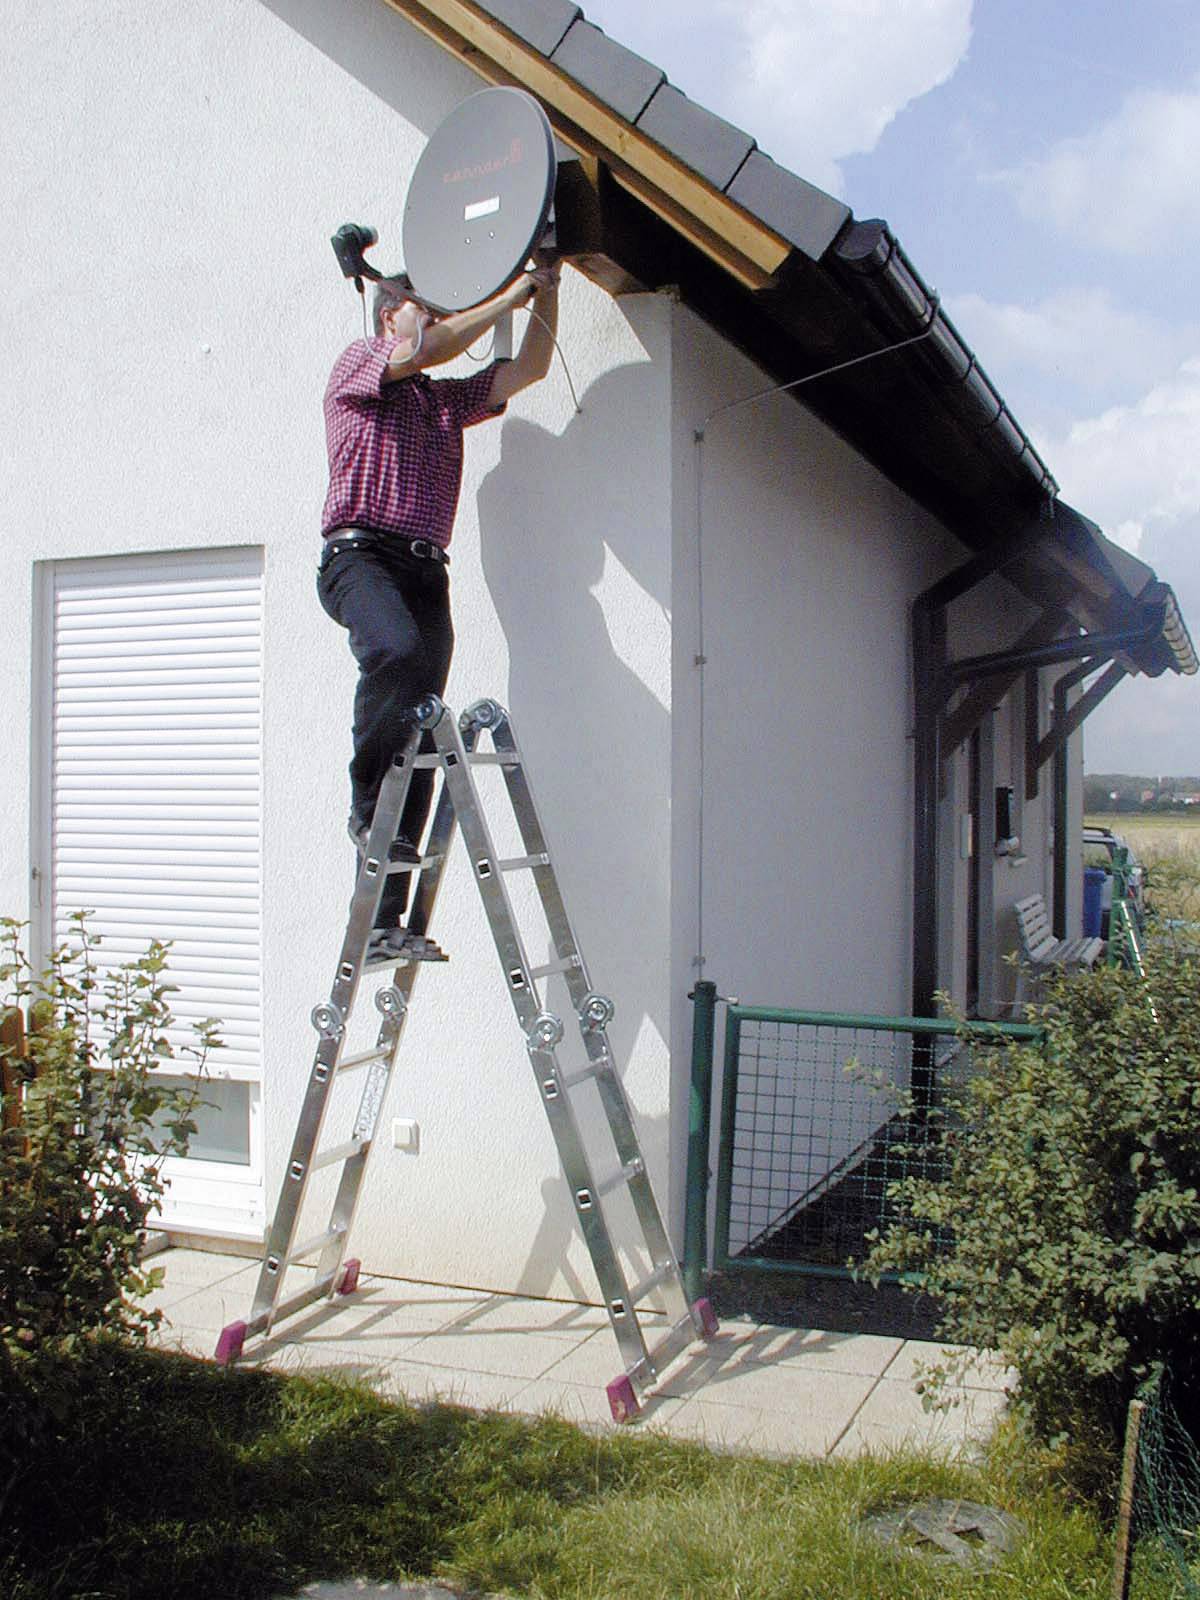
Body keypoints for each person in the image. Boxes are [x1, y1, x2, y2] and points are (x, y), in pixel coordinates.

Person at [317, 261, 560, 961]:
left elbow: (530, 367)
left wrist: (549, 285)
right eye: (414, 304)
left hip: (426, 572)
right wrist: (506, 293)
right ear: (387, 313)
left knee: (422, 732)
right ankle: (367, 813)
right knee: (394, 653)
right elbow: (427, 349)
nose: (427, 312)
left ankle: (385, 925)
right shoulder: (358, 368)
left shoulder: (443, 403)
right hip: (358, 558)